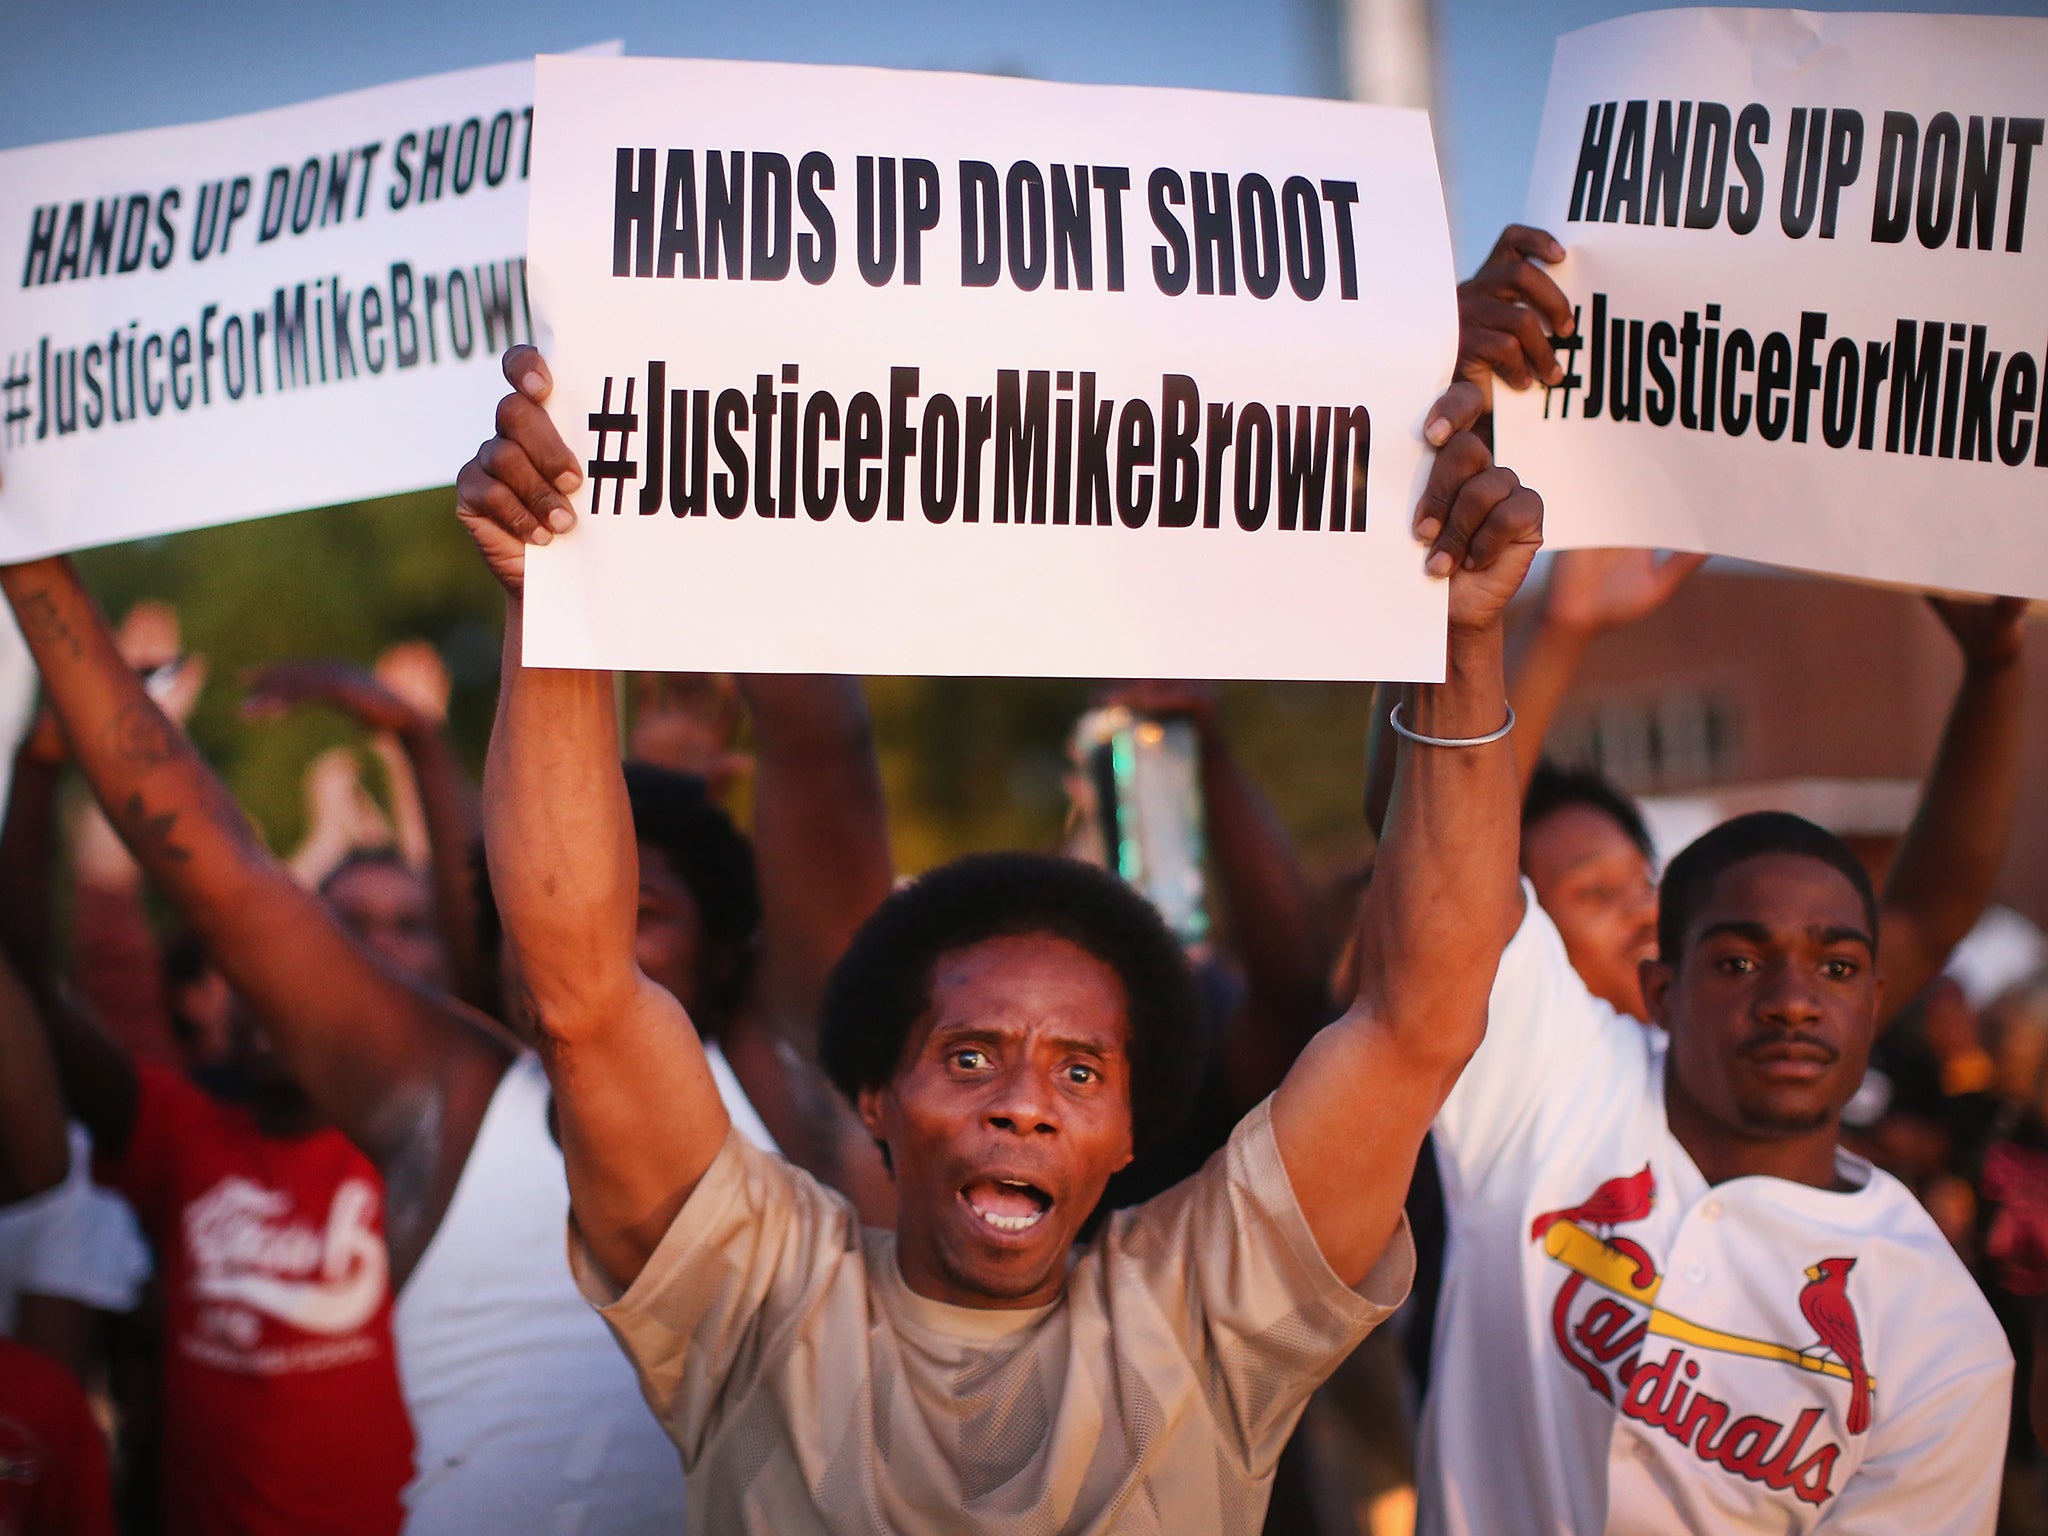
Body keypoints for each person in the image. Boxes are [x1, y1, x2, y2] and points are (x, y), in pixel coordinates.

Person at [450, 344, 1536, 1532]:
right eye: (970, 1056)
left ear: (1130, 1130)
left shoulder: (1213, 1309)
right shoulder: (750, 1295)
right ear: (872, 1096)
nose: (1025, 1104)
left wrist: (1467, 640)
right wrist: (548, 599)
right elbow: (584, 998)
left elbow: (1418, 1019)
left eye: (1080, 1071)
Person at [0, 535, 893, 1534]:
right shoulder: (450, 1102)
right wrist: (30, 566)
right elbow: (217, 870)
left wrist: (715, 486)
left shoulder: (785, 1070)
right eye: (540, 911)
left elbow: (827, 754)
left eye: (640, 914)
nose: (584, 940)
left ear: (729, 952)